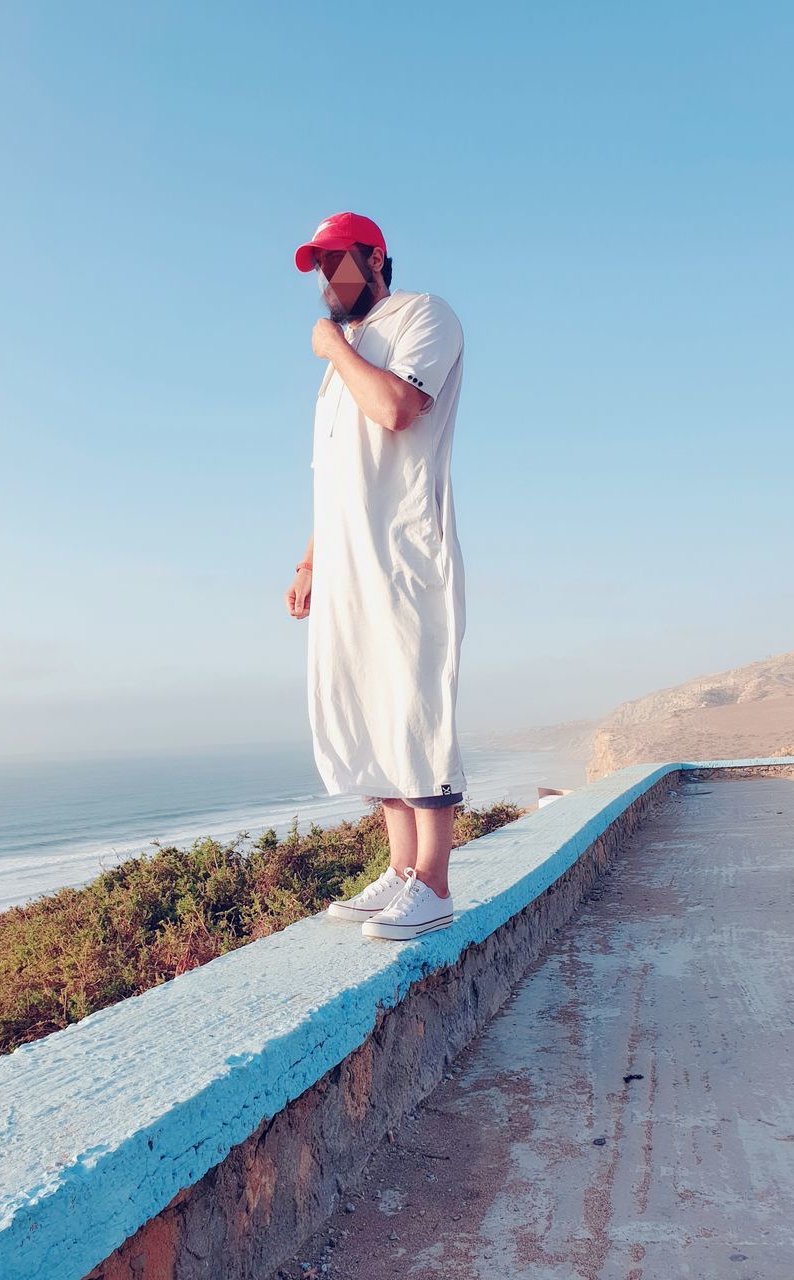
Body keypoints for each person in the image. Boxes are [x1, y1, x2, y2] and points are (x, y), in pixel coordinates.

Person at [285, 211, 468, 942]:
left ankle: (435, 882)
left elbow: (396, 408)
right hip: (345, 563)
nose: (330, 279)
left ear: (376, 259)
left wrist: (333, 349)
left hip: (403, 551)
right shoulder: (345, 362)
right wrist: (309, 561)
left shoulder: (425, 315)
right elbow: (335, 480)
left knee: (414, 702)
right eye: (320, 268)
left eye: (340, 262)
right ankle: (399, 870)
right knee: (362, 705)